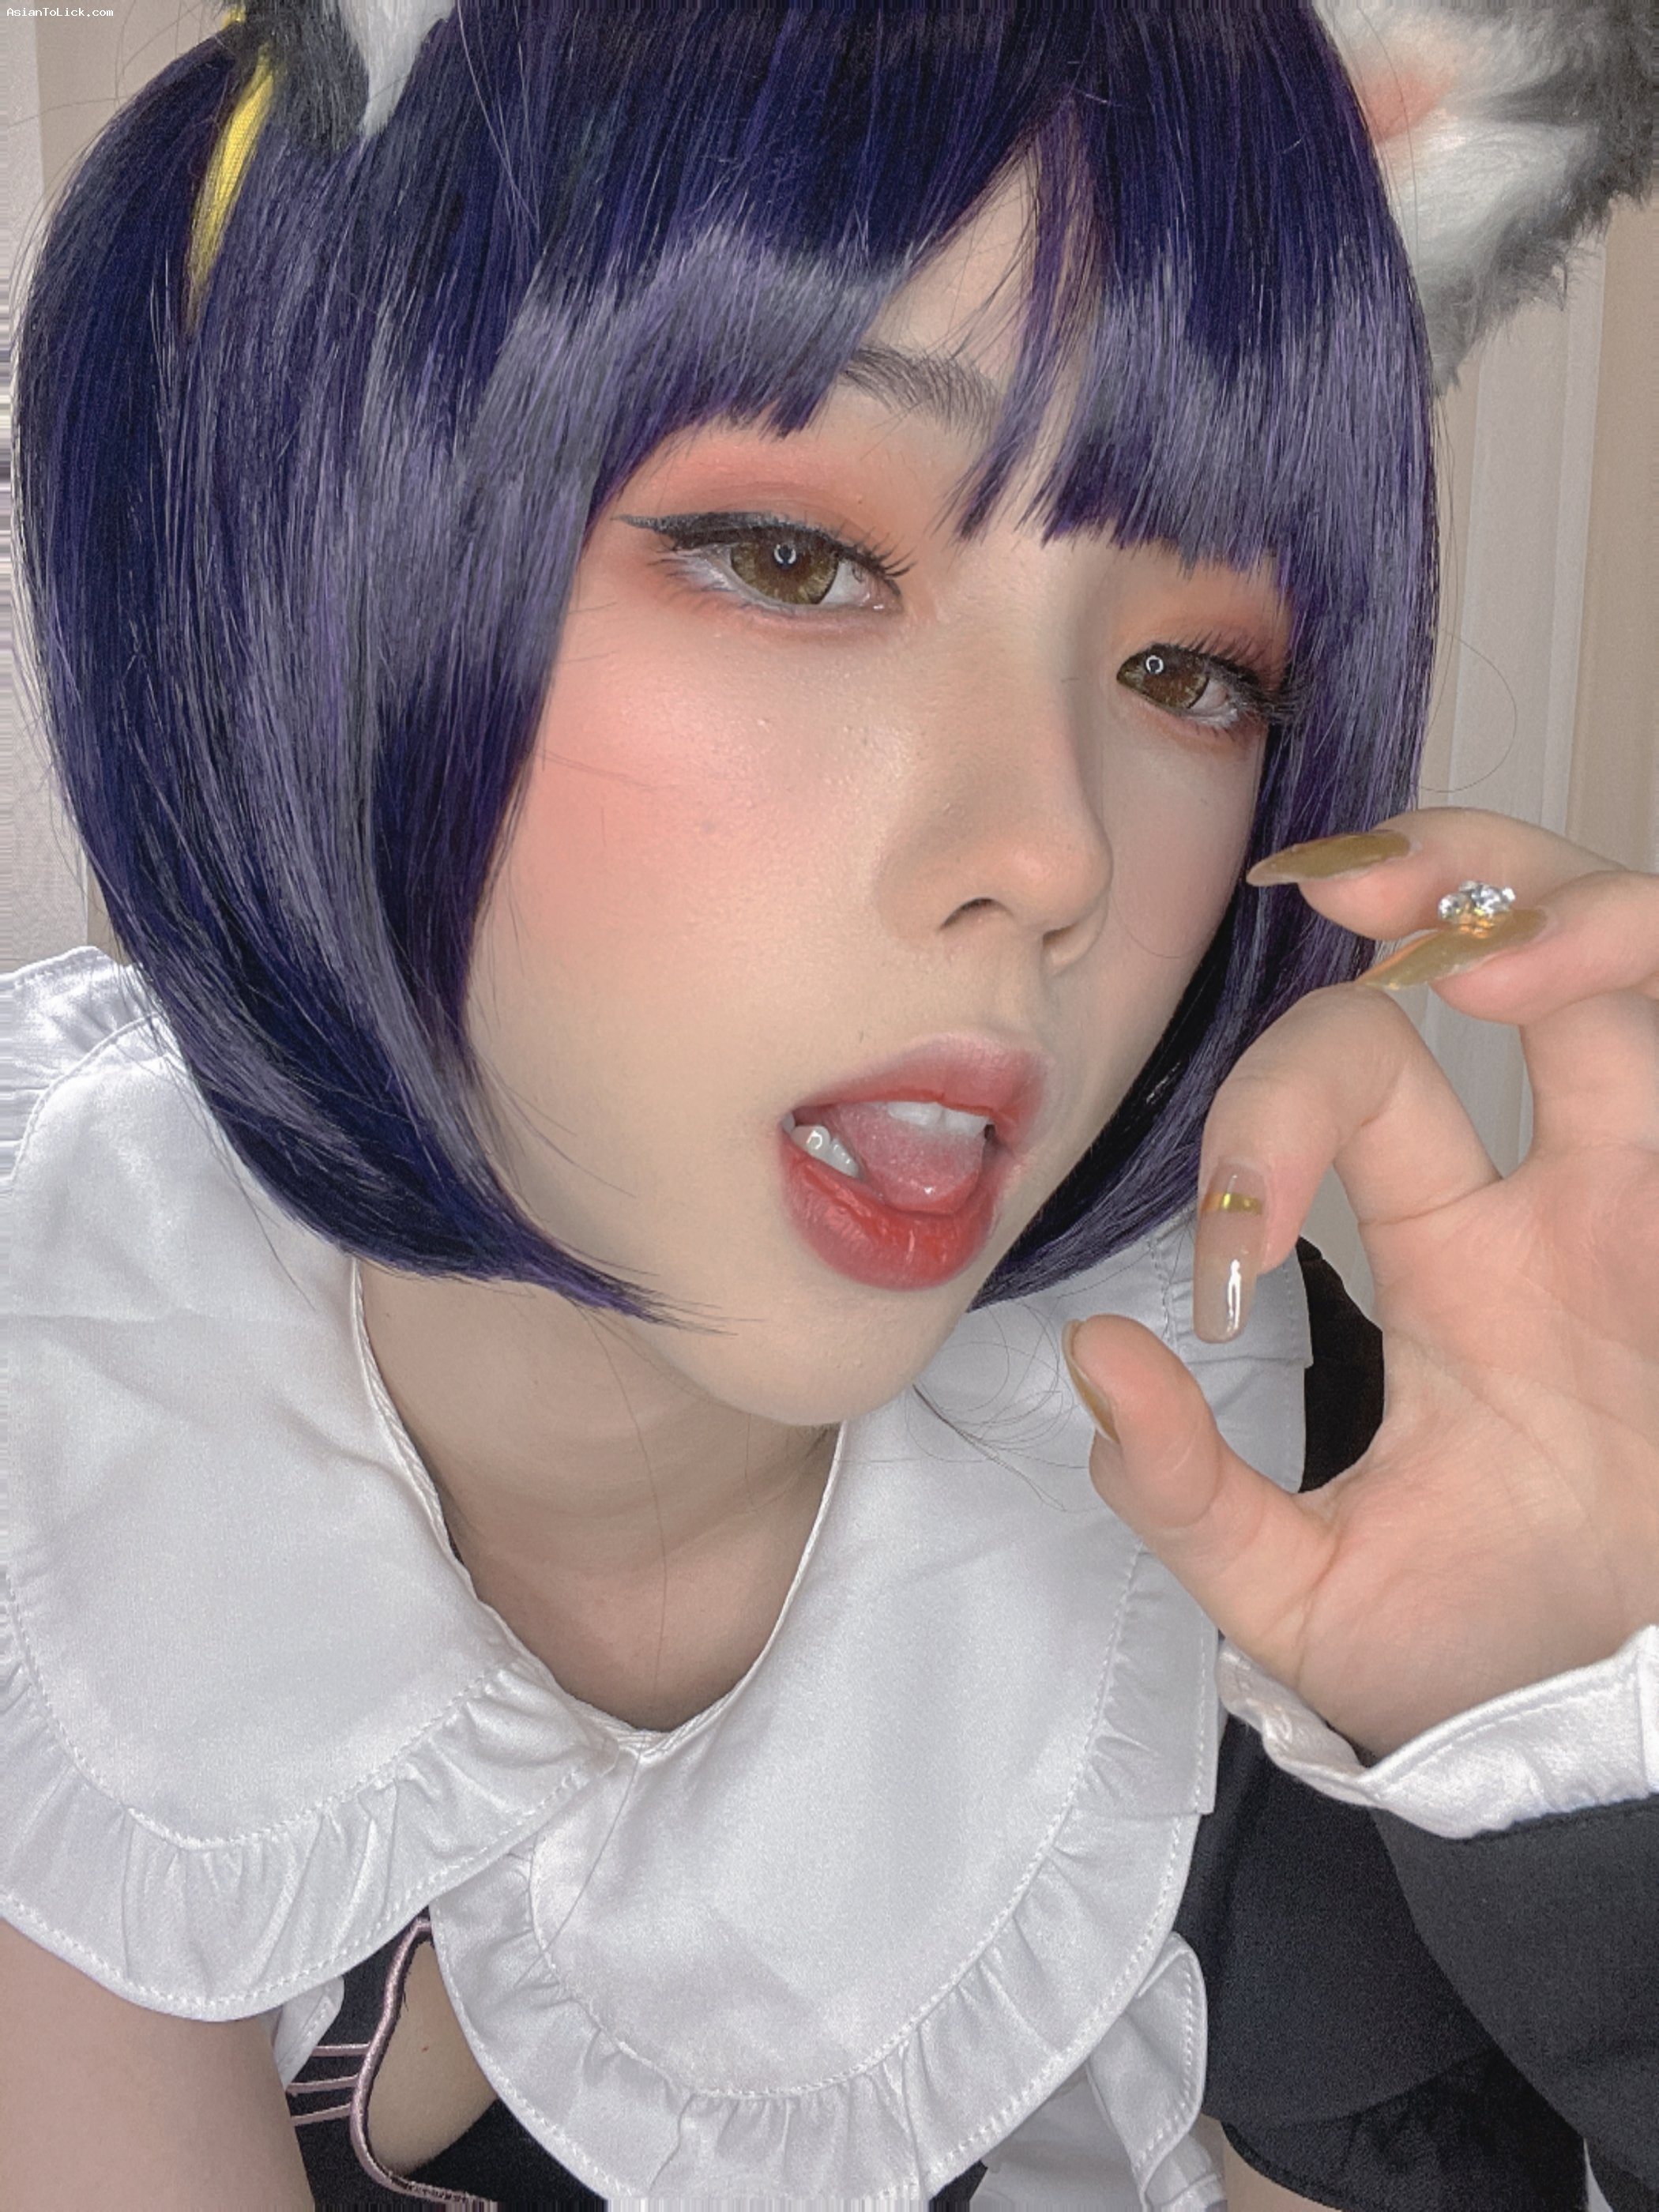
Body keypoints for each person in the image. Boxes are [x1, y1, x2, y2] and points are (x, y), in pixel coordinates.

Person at [3, 2, 1654, 2206]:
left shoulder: (1298, 1511)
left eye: (1192, 673)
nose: (1057, 852)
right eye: (797, 560)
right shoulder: (58, 1374)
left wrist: (1580, 1776)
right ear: (309, 547)